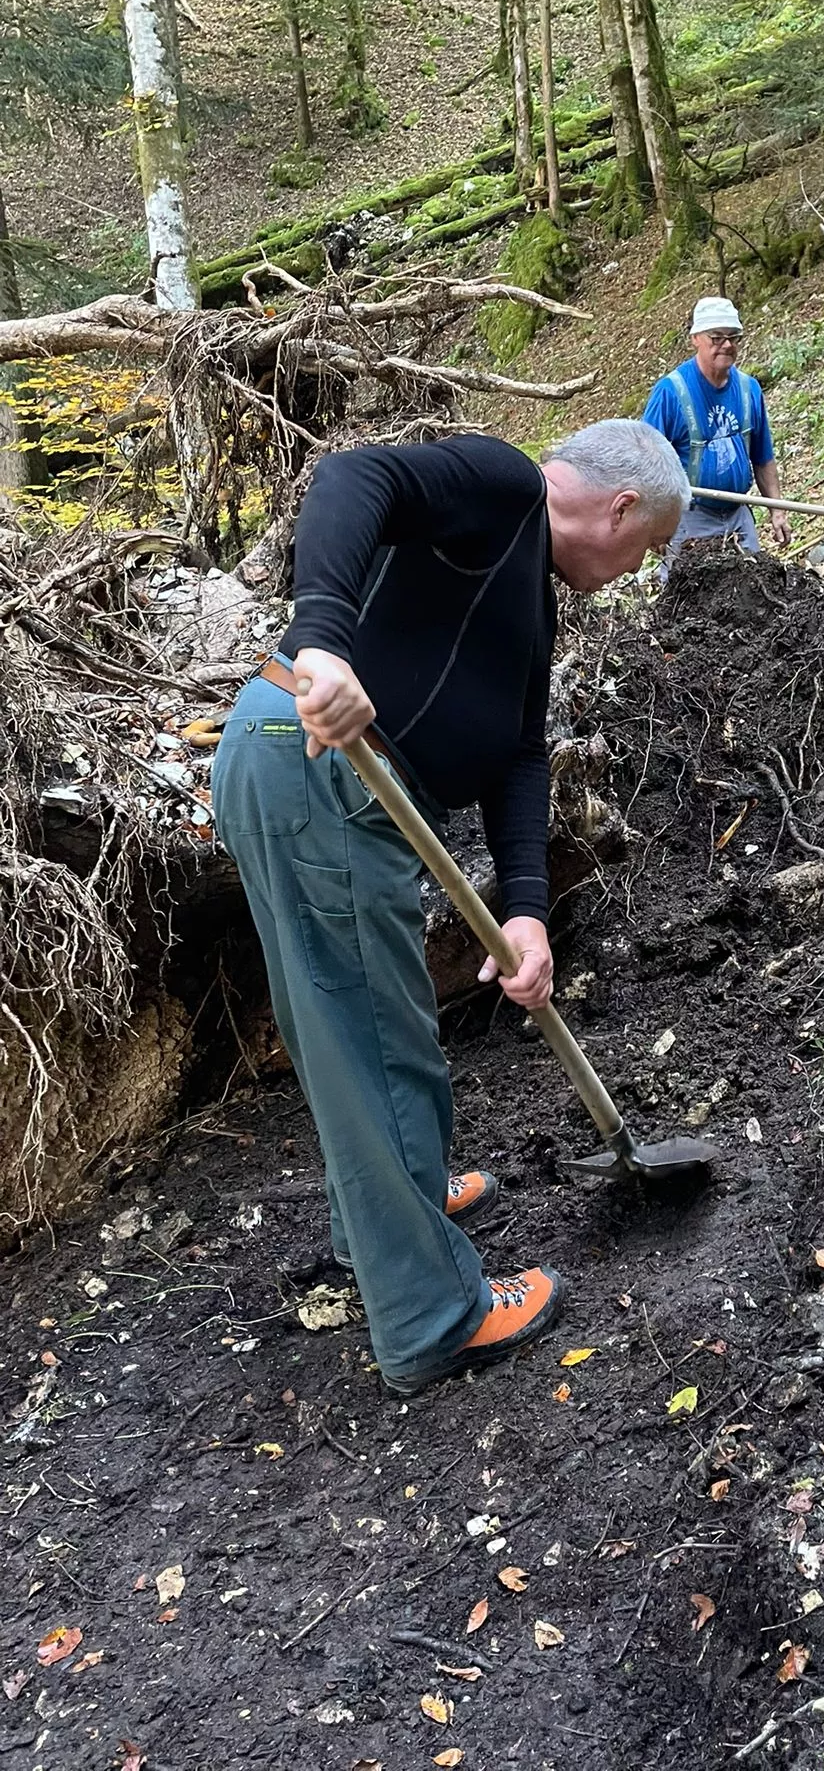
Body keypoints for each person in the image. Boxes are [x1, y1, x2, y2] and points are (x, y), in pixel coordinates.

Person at [210, 421, 688, 1398]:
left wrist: (527, 912)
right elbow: (352, 478)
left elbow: (519, 753)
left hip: (317, 785)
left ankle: (391, 1214)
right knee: (377, 1044)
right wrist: (326, 643)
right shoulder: (501, 483)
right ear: (620, 506)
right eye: (644, 551)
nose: (637, 570)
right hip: (319, 763)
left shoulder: (531, 596)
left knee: (368, 1031)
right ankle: (432, 1315)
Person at [642, 294, 790, 571]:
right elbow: (646, 464)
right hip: (689, 518)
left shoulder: (748, 390)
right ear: (695, 338)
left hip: (738, 516)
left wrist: (777, 511)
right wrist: (654, 525)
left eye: (734, 337)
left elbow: (763, 457)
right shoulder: (671, 392)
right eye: (717, 337)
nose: (727, 345)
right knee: (688, 603)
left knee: (753, 590)